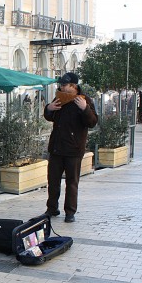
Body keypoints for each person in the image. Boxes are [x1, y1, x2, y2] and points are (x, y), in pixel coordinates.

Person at [43, 72, 98, 223]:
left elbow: (92, 122)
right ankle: (52, 208)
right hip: (56, 148)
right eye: (60, 84)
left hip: (74, 150)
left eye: (64, 85)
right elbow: (49, 116)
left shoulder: (84, 100)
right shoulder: (59, 98)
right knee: (53, 181)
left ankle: (70, 212)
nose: (61, 87)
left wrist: (85, 108)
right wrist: (49, 108)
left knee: (72, 183)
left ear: (73, 86)